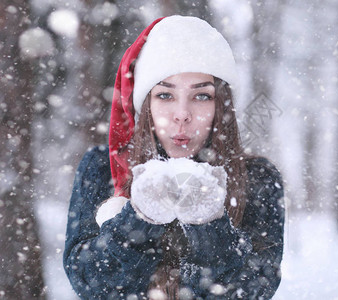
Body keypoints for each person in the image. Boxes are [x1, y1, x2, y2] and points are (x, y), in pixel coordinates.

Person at [63, 15, 284, 300]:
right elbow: (90, 284)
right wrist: (139, 219)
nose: (183, 114)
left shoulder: (257, 177)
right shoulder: (102, 167)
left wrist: (208, 225)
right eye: (166, 95)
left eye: (201, 96)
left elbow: (255, 289)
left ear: (221, 105)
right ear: (146, 104)